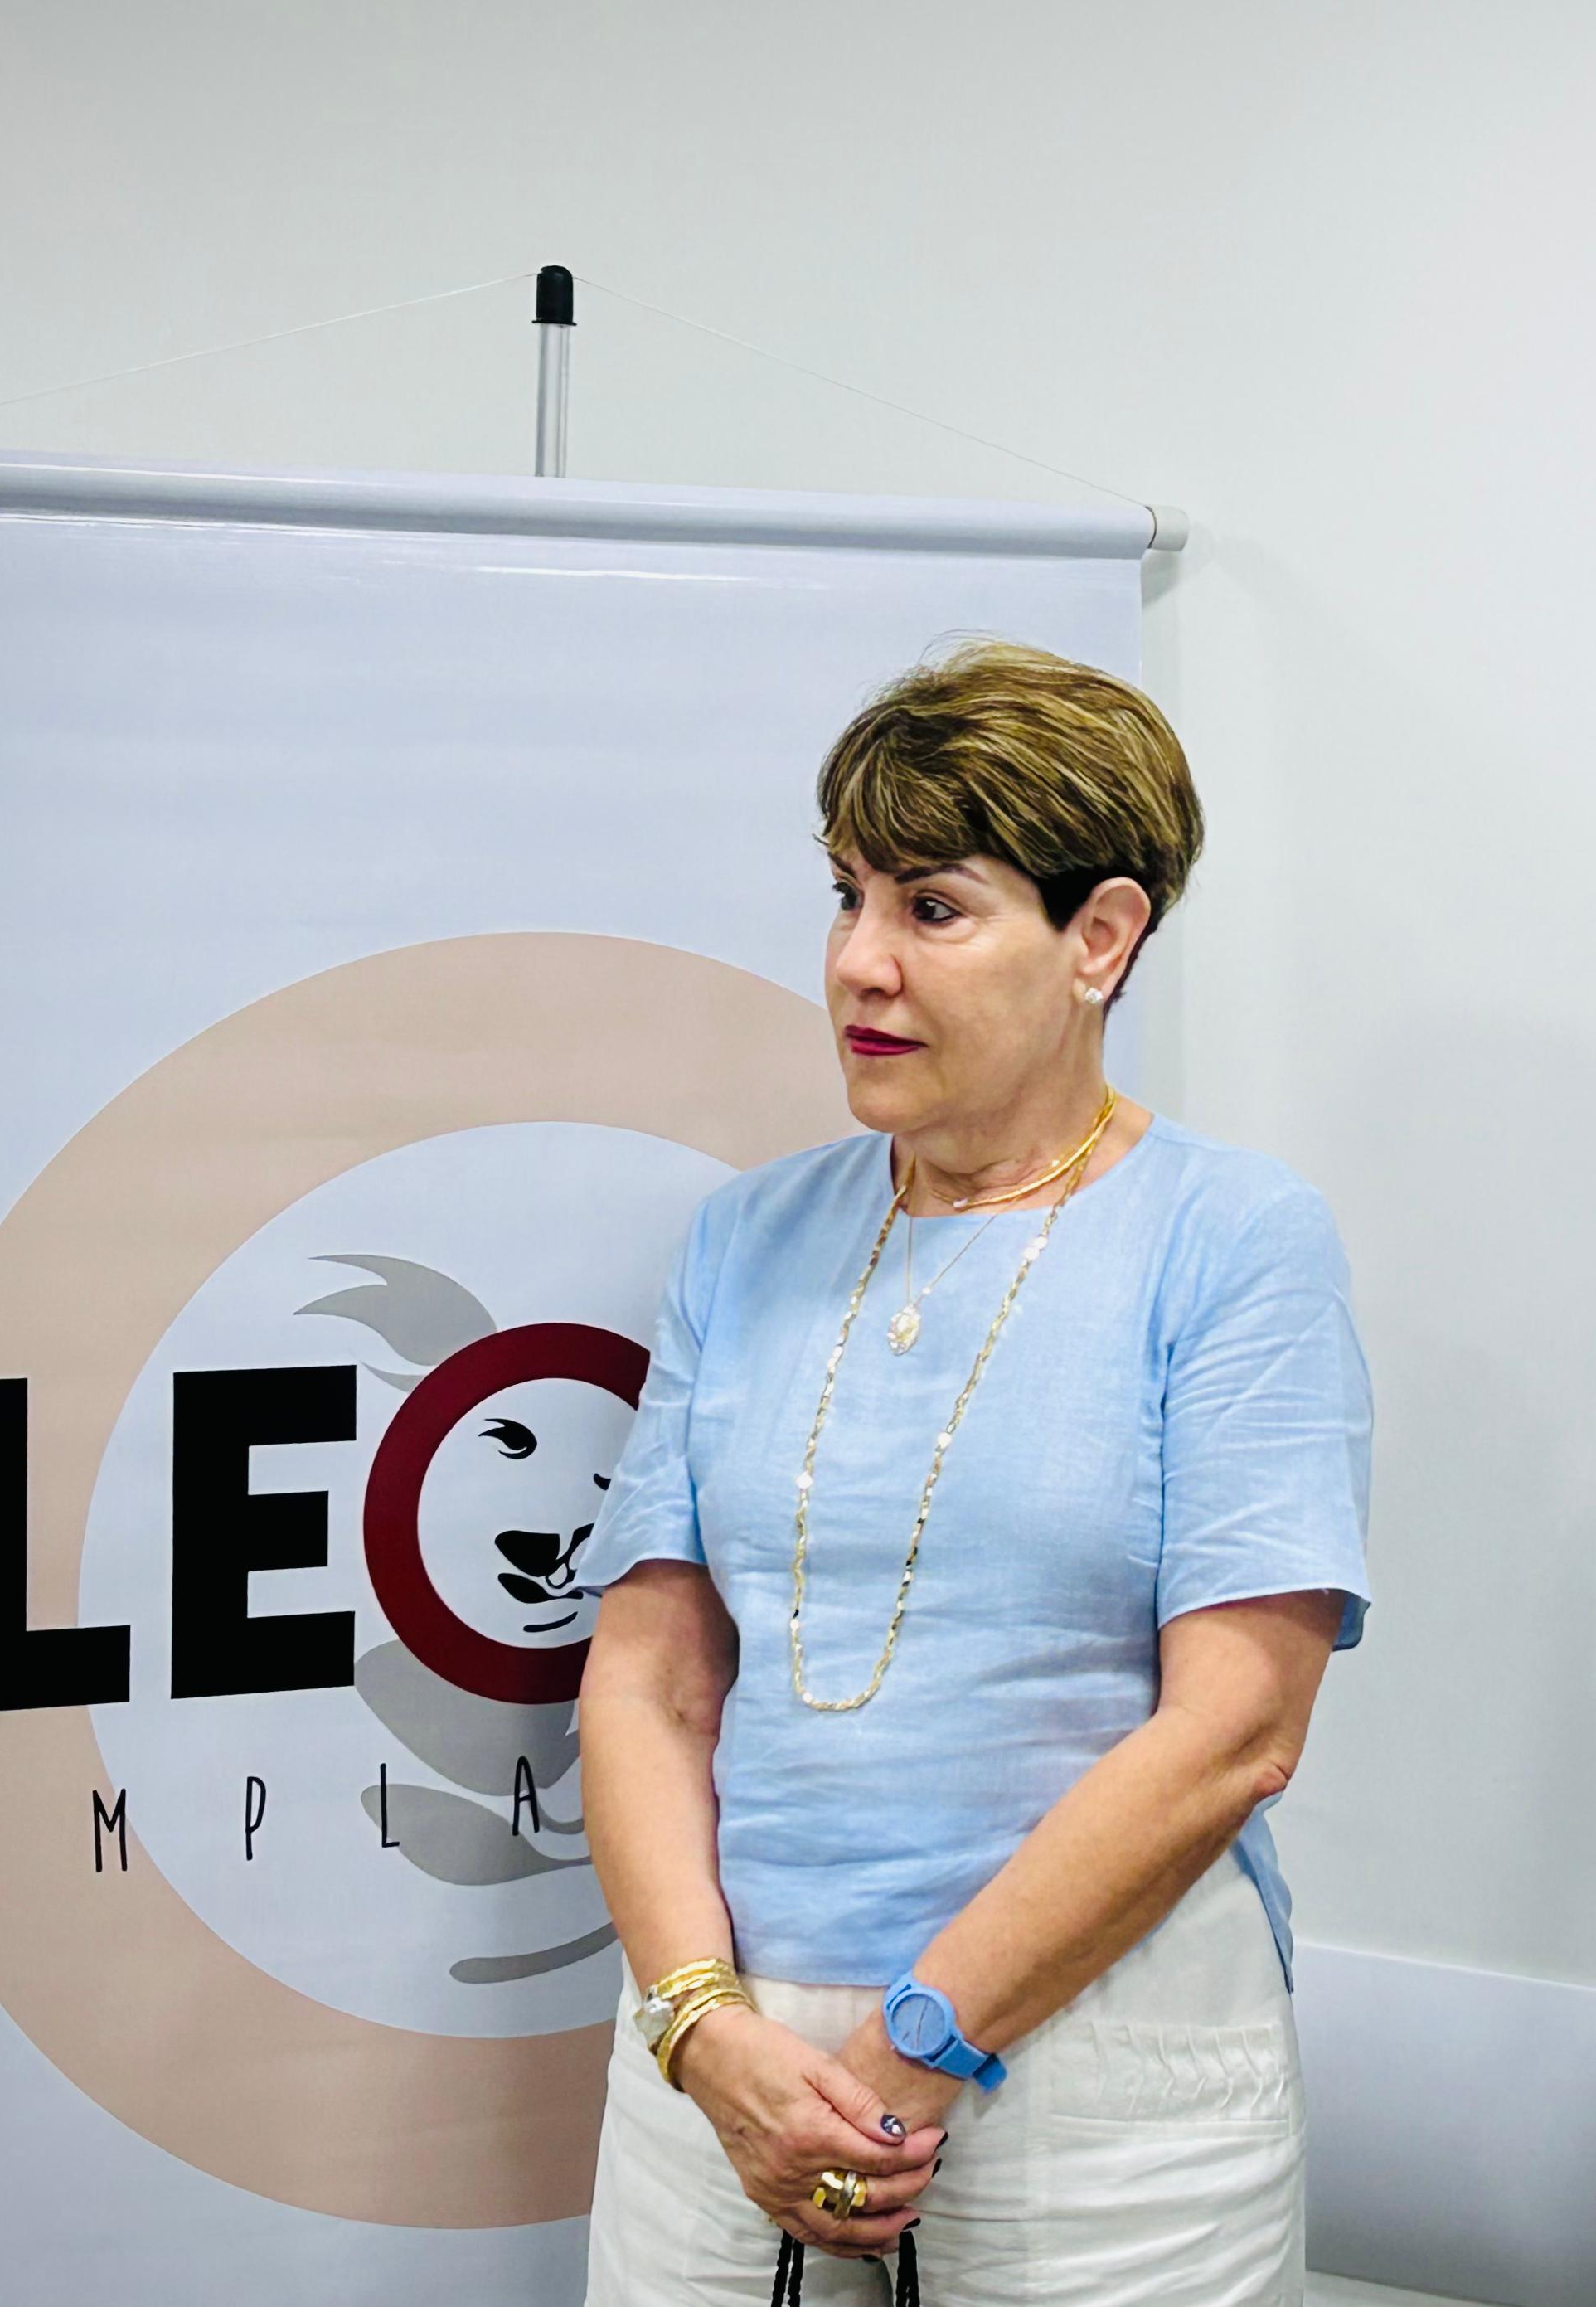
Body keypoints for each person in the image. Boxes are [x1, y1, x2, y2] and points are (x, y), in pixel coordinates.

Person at [575, 641, 1372, 2305]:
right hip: (726, 2072)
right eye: (847, 896)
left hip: (1097, 2083)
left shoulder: (1232, 1237)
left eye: (931, 907)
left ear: (1100, 938)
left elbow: (1235, 1727)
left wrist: (914, 2046)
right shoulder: (744, 1238)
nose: (858, 962)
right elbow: (649, 1680)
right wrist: (702, 2027)